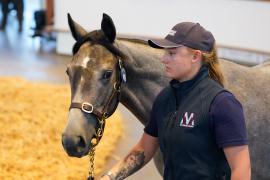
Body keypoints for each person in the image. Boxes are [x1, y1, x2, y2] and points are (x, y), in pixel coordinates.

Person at [100, 22, 251, 180]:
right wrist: (110, 177)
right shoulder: (165, 98)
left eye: (171, 53)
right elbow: (144, 149)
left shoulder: (222, 103)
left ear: (195, 56)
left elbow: (241, 169)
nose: (164, 59)